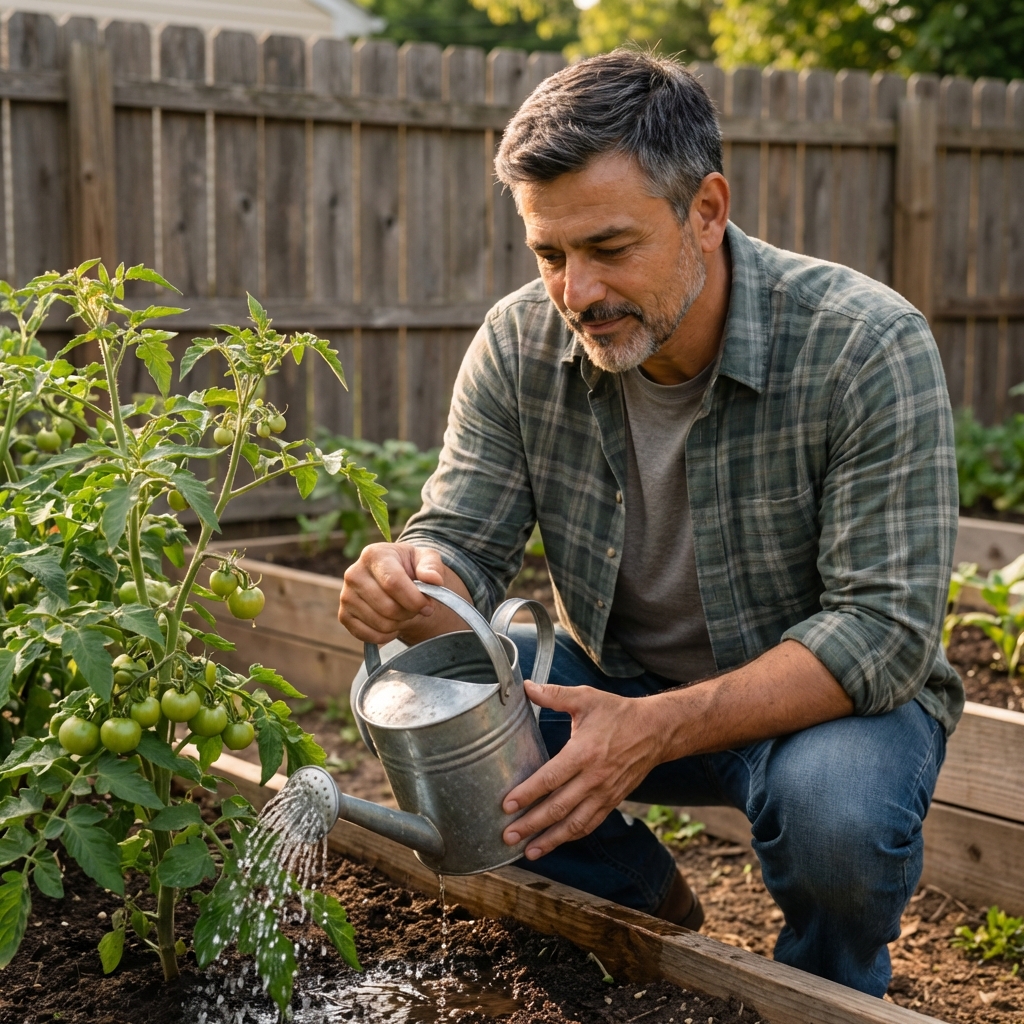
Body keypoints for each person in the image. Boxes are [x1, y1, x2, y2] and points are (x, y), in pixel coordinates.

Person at [338, 49, 963, 997]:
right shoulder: (519, 344)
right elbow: (463, 537)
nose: (576, 292)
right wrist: (412, 576)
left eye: (609, 248)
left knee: (835, 810)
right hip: (615, 690)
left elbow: (883, 632)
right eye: (550, 255)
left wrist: (659, 726)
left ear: (705, 212)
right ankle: (636, 898)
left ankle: (823, 995)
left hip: (824, 712)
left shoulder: (865, 346)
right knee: (429, 708)